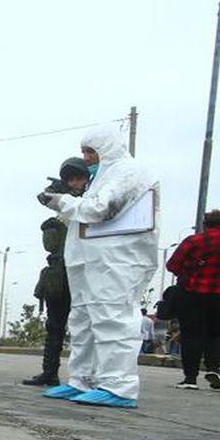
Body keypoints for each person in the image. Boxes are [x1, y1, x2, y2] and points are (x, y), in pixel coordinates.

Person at [38, 125, 159, 408]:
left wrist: (63, 202)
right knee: (83, 321)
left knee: (112, 317)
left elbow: (102, 209)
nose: (87, 158)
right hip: (92, 258)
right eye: (84, 152)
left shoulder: (130, 172)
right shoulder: (104, 176)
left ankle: (119, 385)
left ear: (107, 149)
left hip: (119, 259)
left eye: (91, 151)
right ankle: (83, 379)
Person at [23, 158, 89, 386]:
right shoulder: (62, 202)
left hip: (86, 270)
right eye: (70, 179)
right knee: (54, 325)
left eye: (78, 178)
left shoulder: (93, 201)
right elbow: (44, 196)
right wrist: (62, 193)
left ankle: (86, 377)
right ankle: (49, 372)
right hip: (60, 271)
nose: (74, 183)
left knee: (87, 326)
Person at [166, 209, 220, 389]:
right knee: (219, 334)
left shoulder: (195, 240)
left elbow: (172, 265)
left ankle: (190, 379)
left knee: (192, 335)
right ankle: (213, 369)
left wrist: (188, 271)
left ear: (205, 224)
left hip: (193, 293)